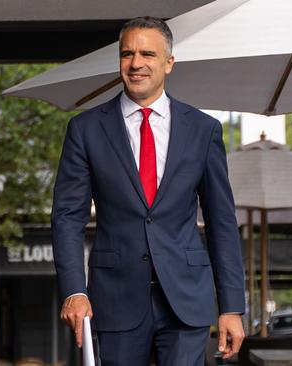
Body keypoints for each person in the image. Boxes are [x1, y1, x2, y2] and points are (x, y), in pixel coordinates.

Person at [52, 17, 245, 365]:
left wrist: (231, 305)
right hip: (114, 299)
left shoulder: (203, 130)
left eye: (147, 54)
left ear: (169, 63)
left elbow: (222, 222)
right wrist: (74, 291)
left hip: (187, 299)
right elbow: (67, 218)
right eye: (127, 54)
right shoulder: (85, 129)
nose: (136, 63)